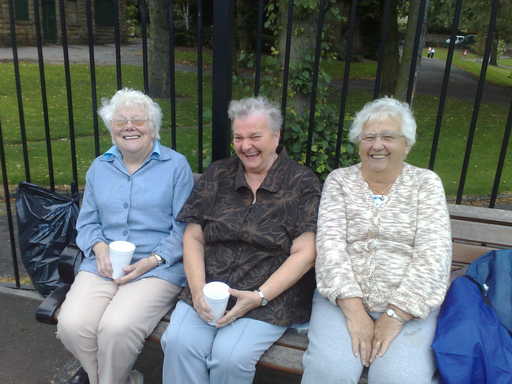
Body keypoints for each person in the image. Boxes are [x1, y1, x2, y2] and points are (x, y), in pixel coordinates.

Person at [160, 96, 321, 384]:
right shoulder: (219, 173)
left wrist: (259, 297)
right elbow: (194, 235)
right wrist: (197, 290)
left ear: (276, 136)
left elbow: (305, 253)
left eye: (255, 136)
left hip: (270, 293)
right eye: (239, 137)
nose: (246, 146)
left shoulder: (301, 182)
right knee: (179, 343)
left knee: (230, 357)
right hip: (212, 285)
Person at [301, 97, 452, 384]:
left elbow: (435, 255)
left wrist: (396, 314)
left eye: (388, 137)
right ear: (359, 144)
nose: (377, 145)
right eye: (368, 137)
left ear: (406, 144)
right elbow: (330, 246)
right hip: (341, 300)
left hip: (409, 304)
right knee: (330, 373)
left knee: (398, 378)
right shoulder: (339, 181)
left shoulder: (426, 184)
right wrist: (354, 311)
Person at [56, 88, 194, 384]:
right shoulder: (100, 167)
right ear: (111, 129)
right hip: (102, 264)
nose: (129, 126)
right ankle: (116, 380)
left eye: (138, 120)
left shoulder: (175, 166)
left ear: (153, 127)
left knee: (116, 328)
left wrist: (153, 260)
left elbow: (184, 226)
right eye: (120, 121)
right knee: (71, 324)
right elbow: (88, 221)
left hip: (156, 267)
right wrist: (99, 247)